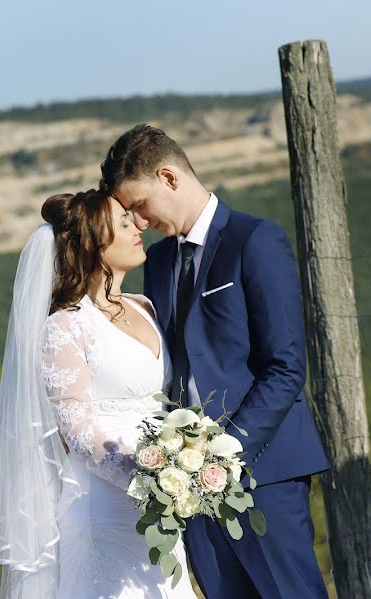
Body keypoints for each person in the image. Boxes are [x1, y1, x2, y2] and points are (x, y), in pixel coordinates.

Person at [100, 124, 331, 599]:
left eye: (140, 205)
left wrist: (226, 454)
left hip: (264, 470)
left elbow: (285, 367)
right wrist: (181, 465)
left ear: (169, 177)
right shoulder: (159, 261)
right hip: (185, 484)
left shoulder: (255, 240)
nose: (139, 221)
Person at [0, 188, 200, 598]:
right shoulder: (64, 327)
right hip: (105, 503)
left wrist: (183, 471)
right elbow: (78, 432)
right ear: (95, 244)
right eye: (124, 223)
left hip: (162, 504)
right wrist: (150, 479)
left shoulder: (144, 306)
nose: (139, 228)